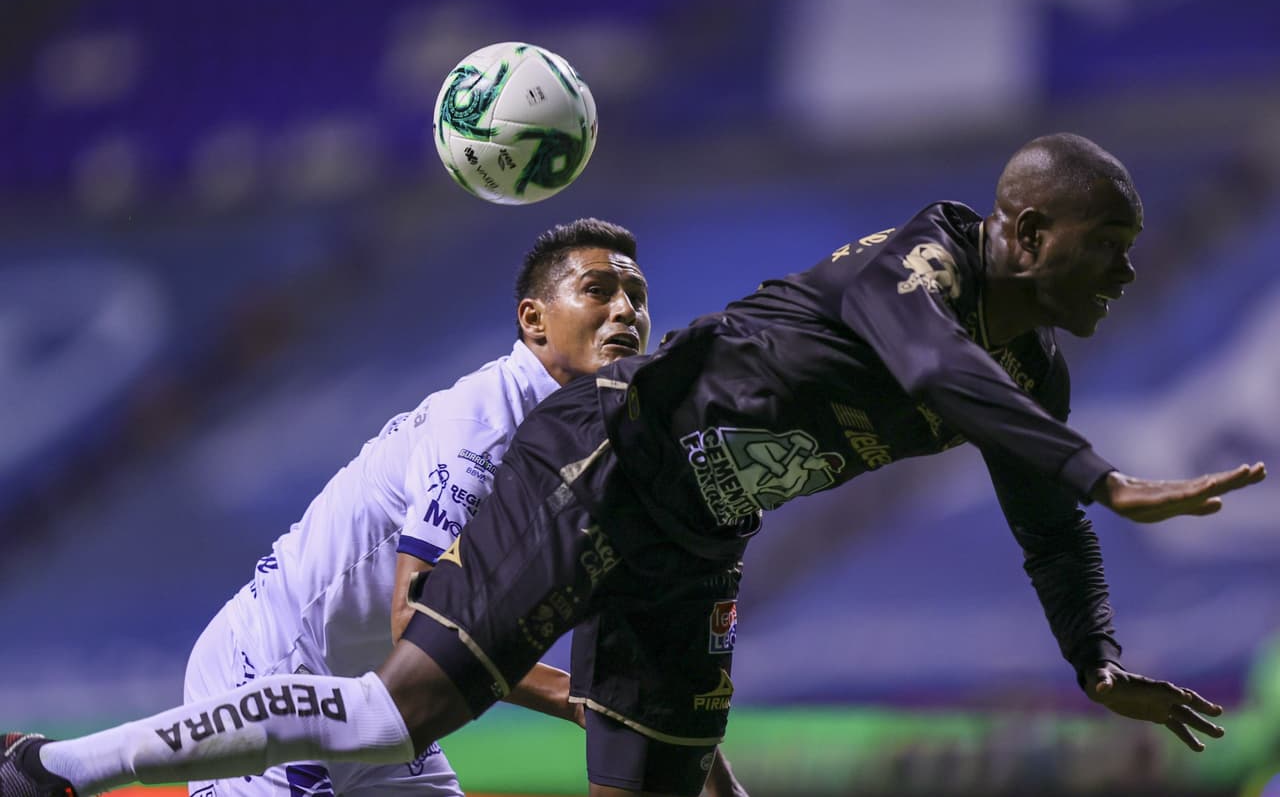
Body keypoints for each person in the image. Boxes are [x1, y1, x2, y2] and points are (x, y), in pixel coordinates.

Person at [5, 134, 1266, 797]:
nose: (1126, 272)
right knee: (403, 708)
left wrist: (1093, 658)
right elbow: (934, 375)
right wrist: (1108, 474)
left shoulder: (1028, 374)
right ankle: (55, 769)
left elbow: (1043, 524)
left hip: (692, 548)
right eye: (1110, 244)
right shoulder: (916, 263)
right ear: (1027, 230)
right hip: (603, 460)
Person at [0, 218, 742, 797]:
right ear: (533, 320)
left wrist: (686, 750)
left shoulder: (595, 440)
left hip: (379, 711)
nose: (626, 311)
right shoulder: (481, 428)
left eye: (636, 297)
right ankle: (50, 767)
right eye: (599, 291)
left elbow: (643, 655)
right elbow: (418, 625)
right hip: (273, 677)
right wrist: (585, 699)